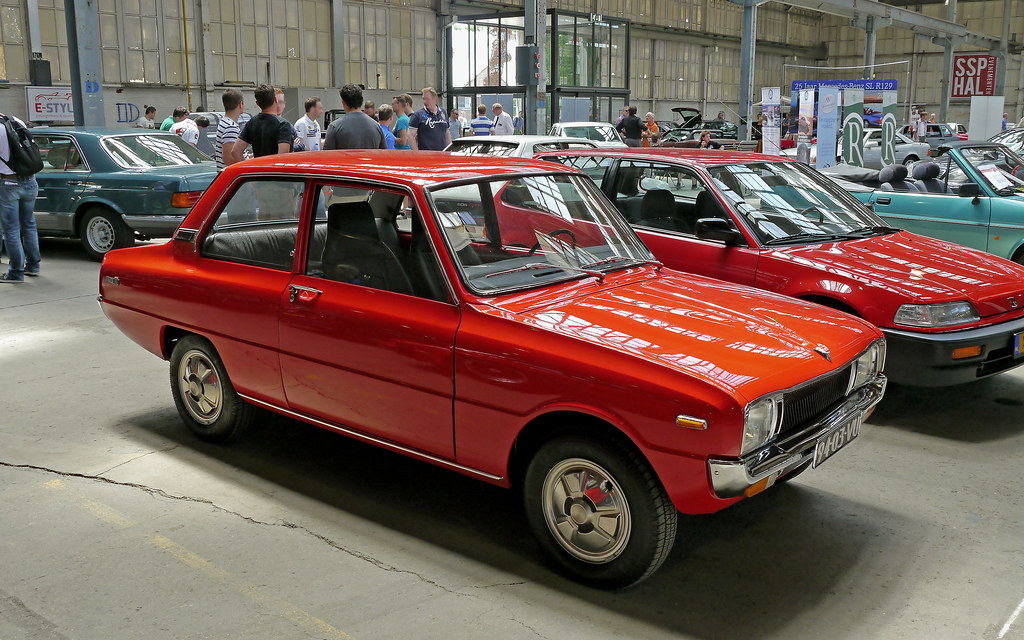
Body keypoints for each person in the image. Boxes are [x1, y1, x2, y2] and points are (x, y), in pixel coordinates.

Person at [0, 112, 41, 282]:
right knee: (29, 225)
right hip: (30, 181)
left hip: (9, 183)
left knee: (11, 230)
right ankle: (33, 266)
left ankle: (16, 272)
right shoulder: (16, 120)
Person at [322, 83, 387, 150]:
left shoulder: (334, 127)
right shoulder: (377, 127)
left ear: (343, 103)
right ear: (361, 101)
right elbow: (383, 155)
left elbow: (327, 155)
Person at [237, 84, 293, 157]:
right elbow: (282, 157)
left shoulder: (251, 123)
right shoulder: (283, 124)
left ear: (257, 103)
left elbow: (235, 151)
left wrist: (247, 167)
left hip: (258, 167)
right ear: (275, 99)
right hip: (274, 168)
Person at [215, 88, 245, 170]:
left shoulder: (224, 122)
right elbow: (228, 159)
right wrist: (247, 161)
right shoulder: (231, 127)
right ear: (241, 104)